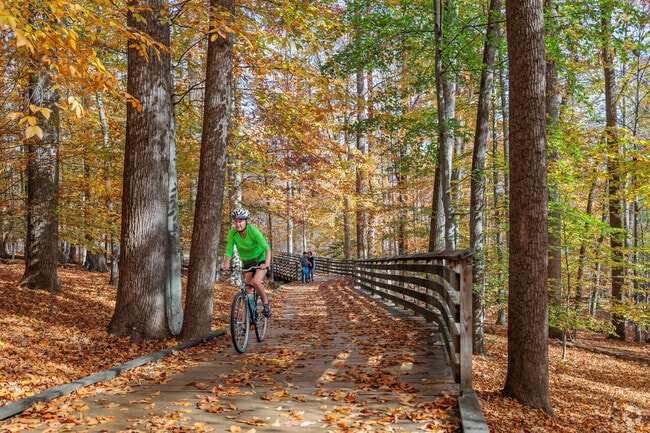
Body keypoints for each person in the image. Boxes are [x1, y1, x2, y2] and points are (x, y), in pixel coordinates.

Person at [221, 208, 272, 317]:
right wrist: (226, 264)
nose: (238, 224)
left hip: (260, 260)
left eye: (240, 221)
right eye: (236, 221)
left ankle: (266, 304)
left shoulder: (253, 231)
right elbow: (229, 250)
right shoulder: (232, 233)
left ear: (246, 221)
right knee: (246, 292)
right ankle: (243, 324)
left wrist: (266, 264)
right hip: (247, 262)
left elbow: (267, 249)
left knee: (256, 282)